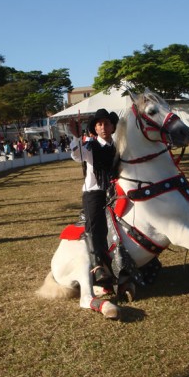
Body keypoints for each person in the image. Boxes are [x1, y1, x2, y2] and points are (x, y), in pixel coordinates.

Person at [68, 108, 119, 284]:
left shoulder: (119, 147)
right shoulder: (90, 147)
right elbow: (76, 155)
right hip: (94, 194)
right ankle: (97, 266)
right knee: (95, 228)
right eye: (99, 124)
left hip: (115, 193)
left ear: (112, 126)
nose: (103, 127)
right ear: (95, 129)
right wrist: (76, 137)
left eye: (106, 123)